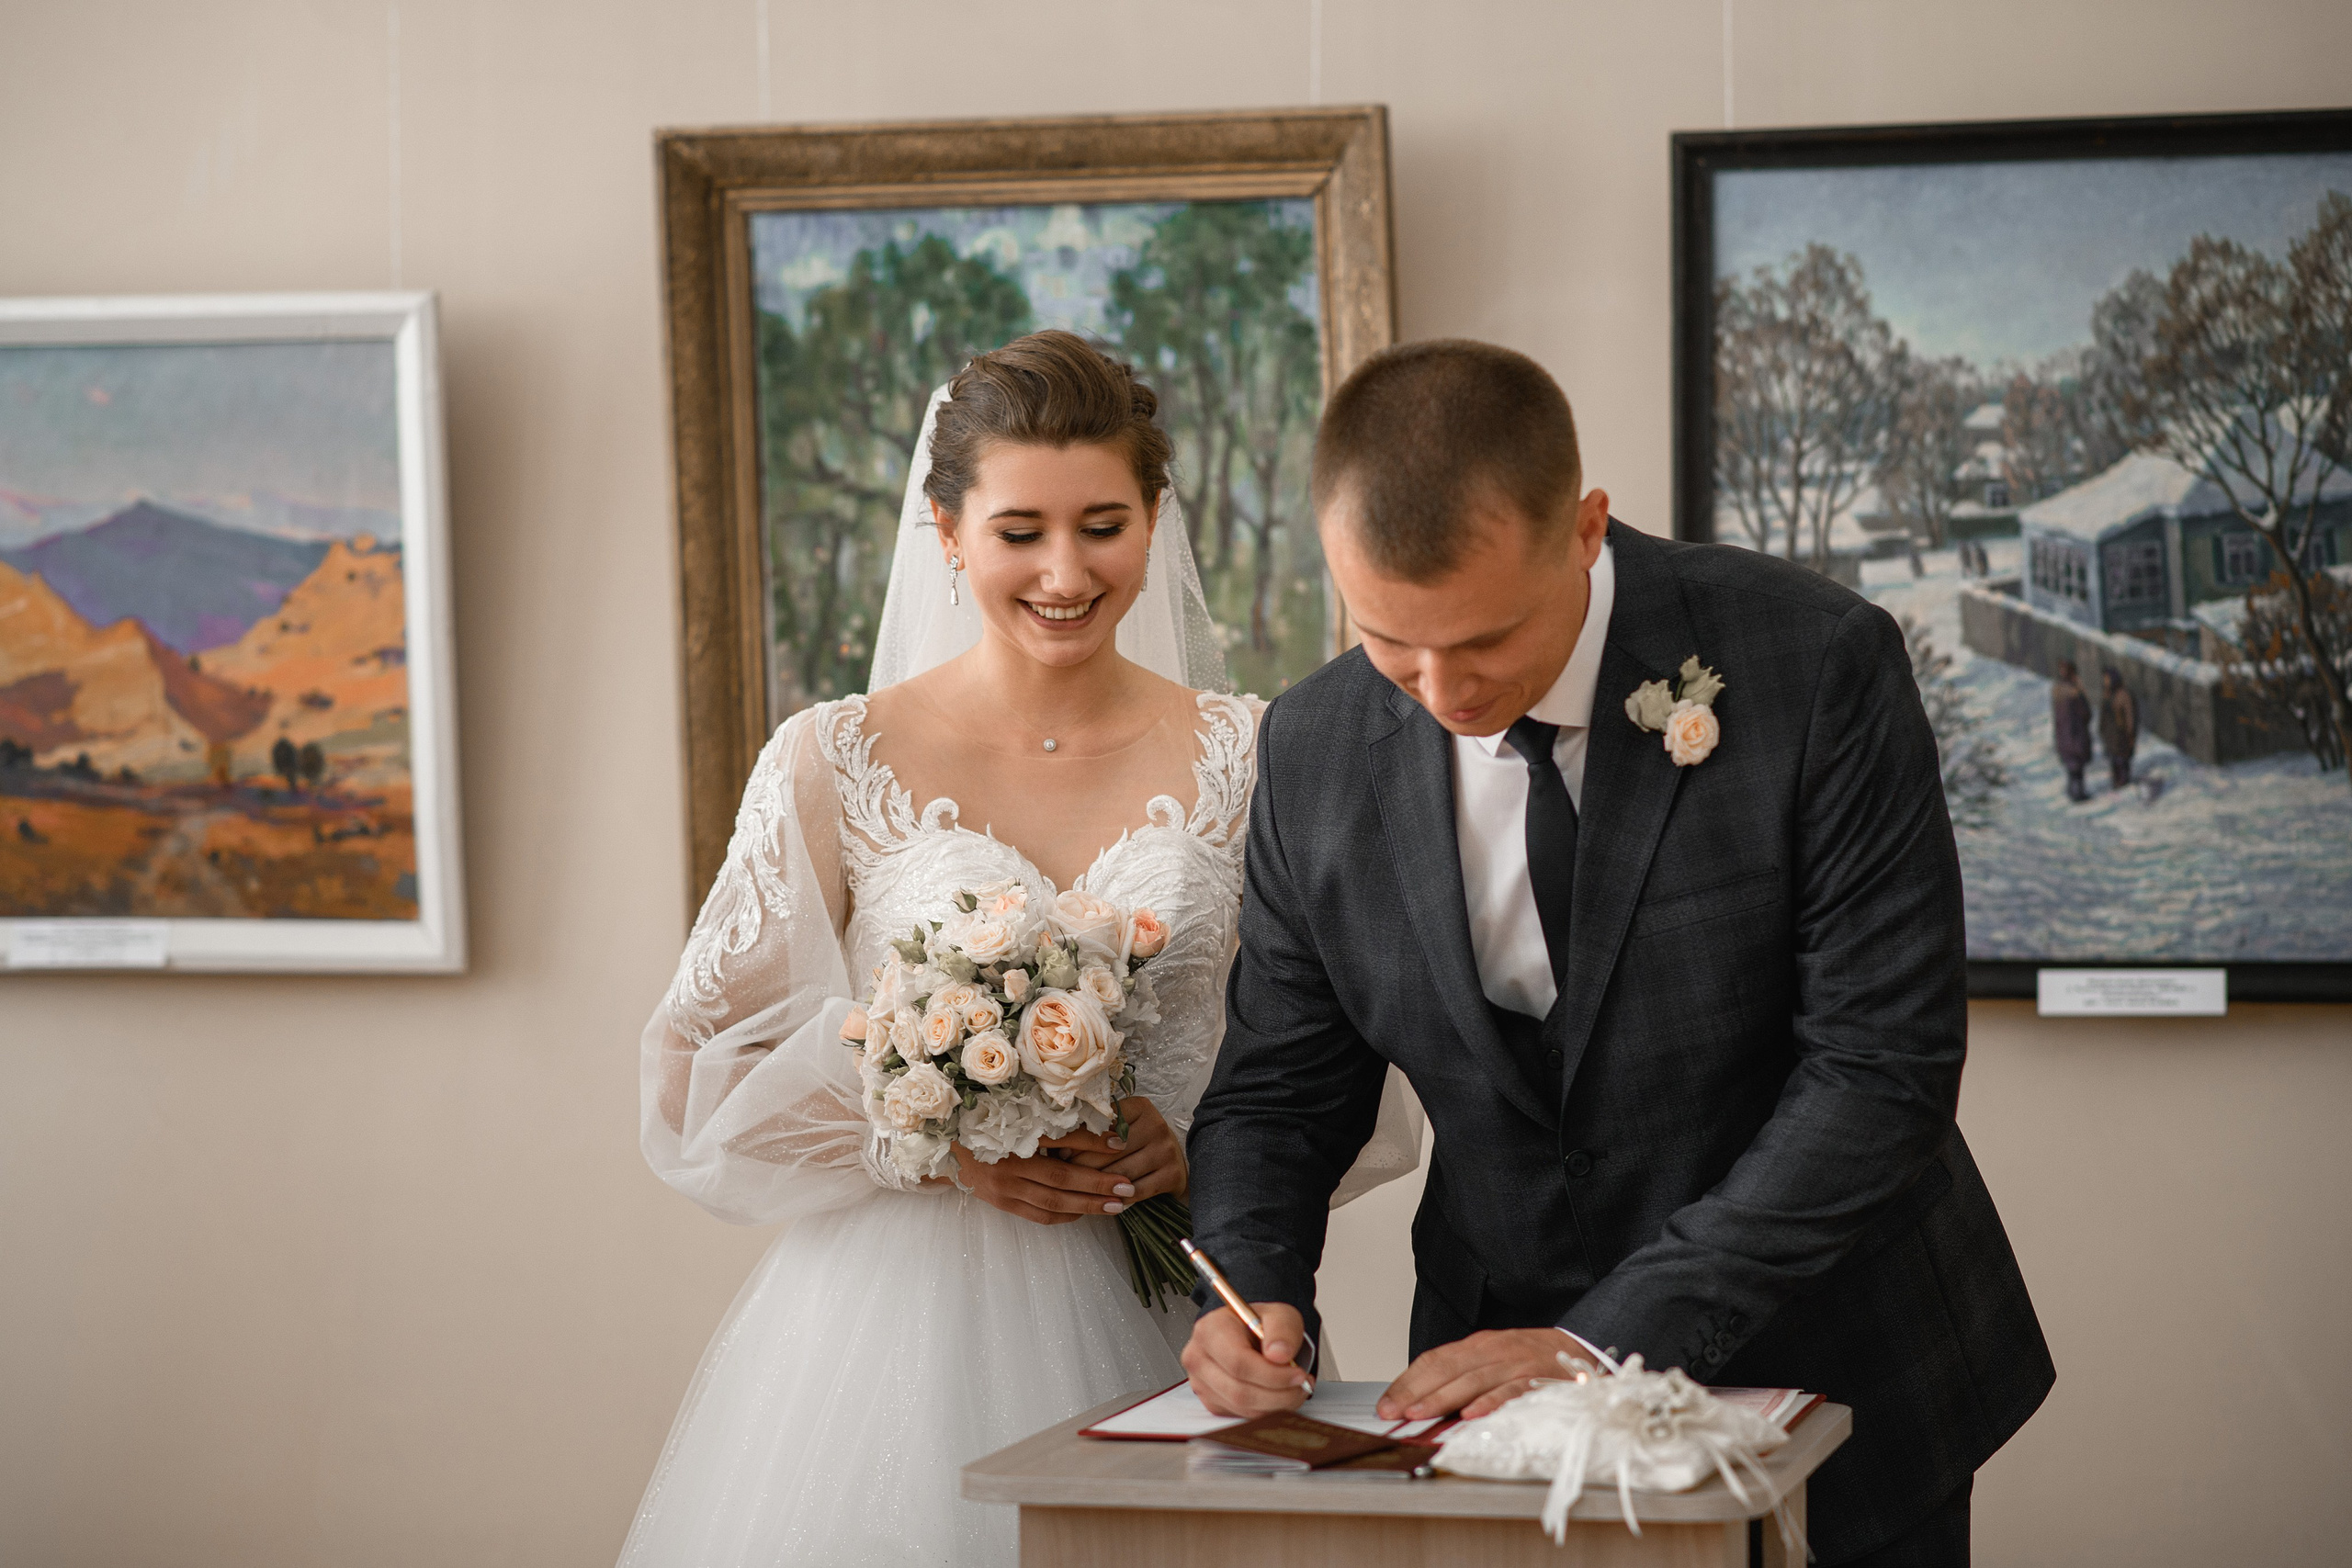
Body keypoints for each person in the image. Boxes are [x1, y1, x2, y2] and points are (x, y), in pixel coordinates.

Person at [1182, 340, 2052, 1568]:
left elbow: (1878, 1070)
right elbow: (1282, 1083)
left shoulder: (1815, 664)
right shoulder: (1314, 746)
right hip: (1493, 1408)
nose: (1439, 689)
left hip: (1839, 1364)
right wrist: (1256, 1283)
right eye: (1388, 640)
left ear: (1585, 529)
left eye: (1484, 638)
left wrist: (1605, 1338)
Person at [621, 331, 1421, 1567]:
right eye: (1019, 530)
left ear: (1155, 520)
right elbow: (692, 1075)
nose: (1065, 569)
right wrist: (935, 1142)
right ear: (948, 532)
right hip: (888, 1350)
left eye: (1103, 522)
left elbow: (1361, 1061)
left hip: (1176, 1312)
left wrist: (1200, 1147)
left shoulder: (1260, 754)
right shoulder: (832, 759)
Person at [2052, 660, 2094, 801]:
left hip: (2063, 736)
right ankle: (2078, 794)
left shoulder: (2058, 691)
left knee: (2071, 768)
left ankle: (2072, 792)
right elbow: (2086, 713)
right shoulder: (2075, 693)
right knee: (2077, 769)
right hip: (2076, 735)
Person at [2098, 667, 2138, 790]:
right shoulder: (2108, 694)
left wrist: (2130, 733)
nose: (2105, 681)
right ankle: (2118, 786)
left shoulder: (2123, 694)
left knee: (2122, 762)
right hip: (2111, 737)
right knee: (2115, 763)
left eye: (2107, 679)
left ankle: (2124, 786)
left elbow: (2130, 716)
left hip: (2121, 736)